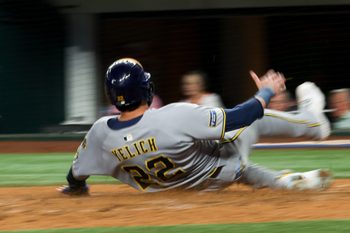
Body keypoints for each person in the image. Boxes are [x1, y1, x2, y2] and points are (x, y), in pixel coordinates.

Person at [58, 58, 332, 195]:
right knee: (253, 122)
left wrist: (77, 188)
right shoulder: (173, 115)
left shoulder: (100, 133)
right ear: (145, 88)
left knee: (237, 166)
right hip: (220, 170)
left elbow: (75, 175)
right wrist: (266, 93)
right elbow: (240, 117)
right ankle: (315, 123)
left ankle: (281, 182)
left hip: (186, 188)